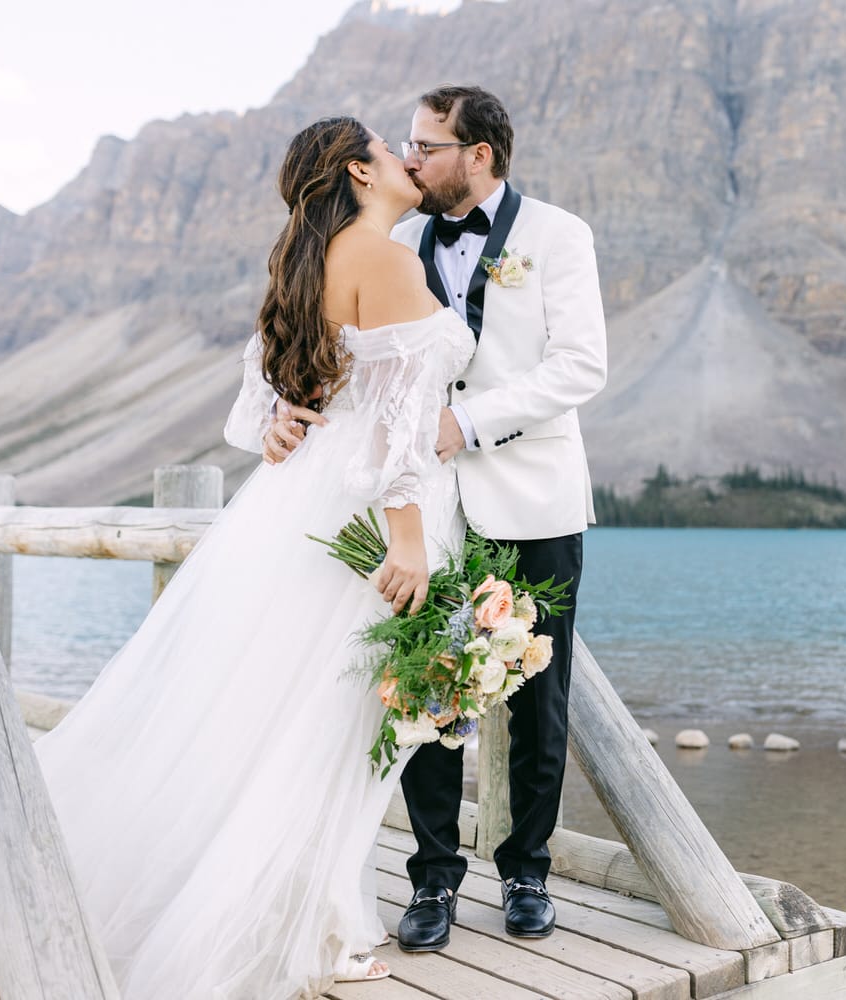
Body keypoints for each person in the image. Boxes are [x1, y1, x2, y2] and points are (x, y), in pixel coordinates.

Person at [0, 115, 474, 997]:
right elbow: (402, 423)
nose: (407, 159)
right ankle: (303, 930)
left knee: (277, 716)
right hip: (365, 516)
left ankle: (311, 916)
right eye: (387, 149)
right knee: (328, 729)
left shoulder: (304, 263)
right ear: (359, 173)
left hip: (299, 507)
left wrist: (281, 427)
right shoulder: (389, 259)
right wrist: (408, 540)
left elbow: (253, 409)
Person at [267, 84, 607, 952]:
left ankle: (526, 872)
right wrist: (286, 411)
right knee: (424, 688)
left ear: (479, 155)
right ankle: (432, 879)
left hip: (533, 496)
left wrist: (468, 422)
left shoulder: (559, 237)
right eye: (405, 147)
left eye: (428, 145)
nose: (411, 159)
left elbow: (580, 367)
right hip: (432, 506)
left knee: (540, 697)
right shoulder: (397, 239)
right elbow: (344, 357)